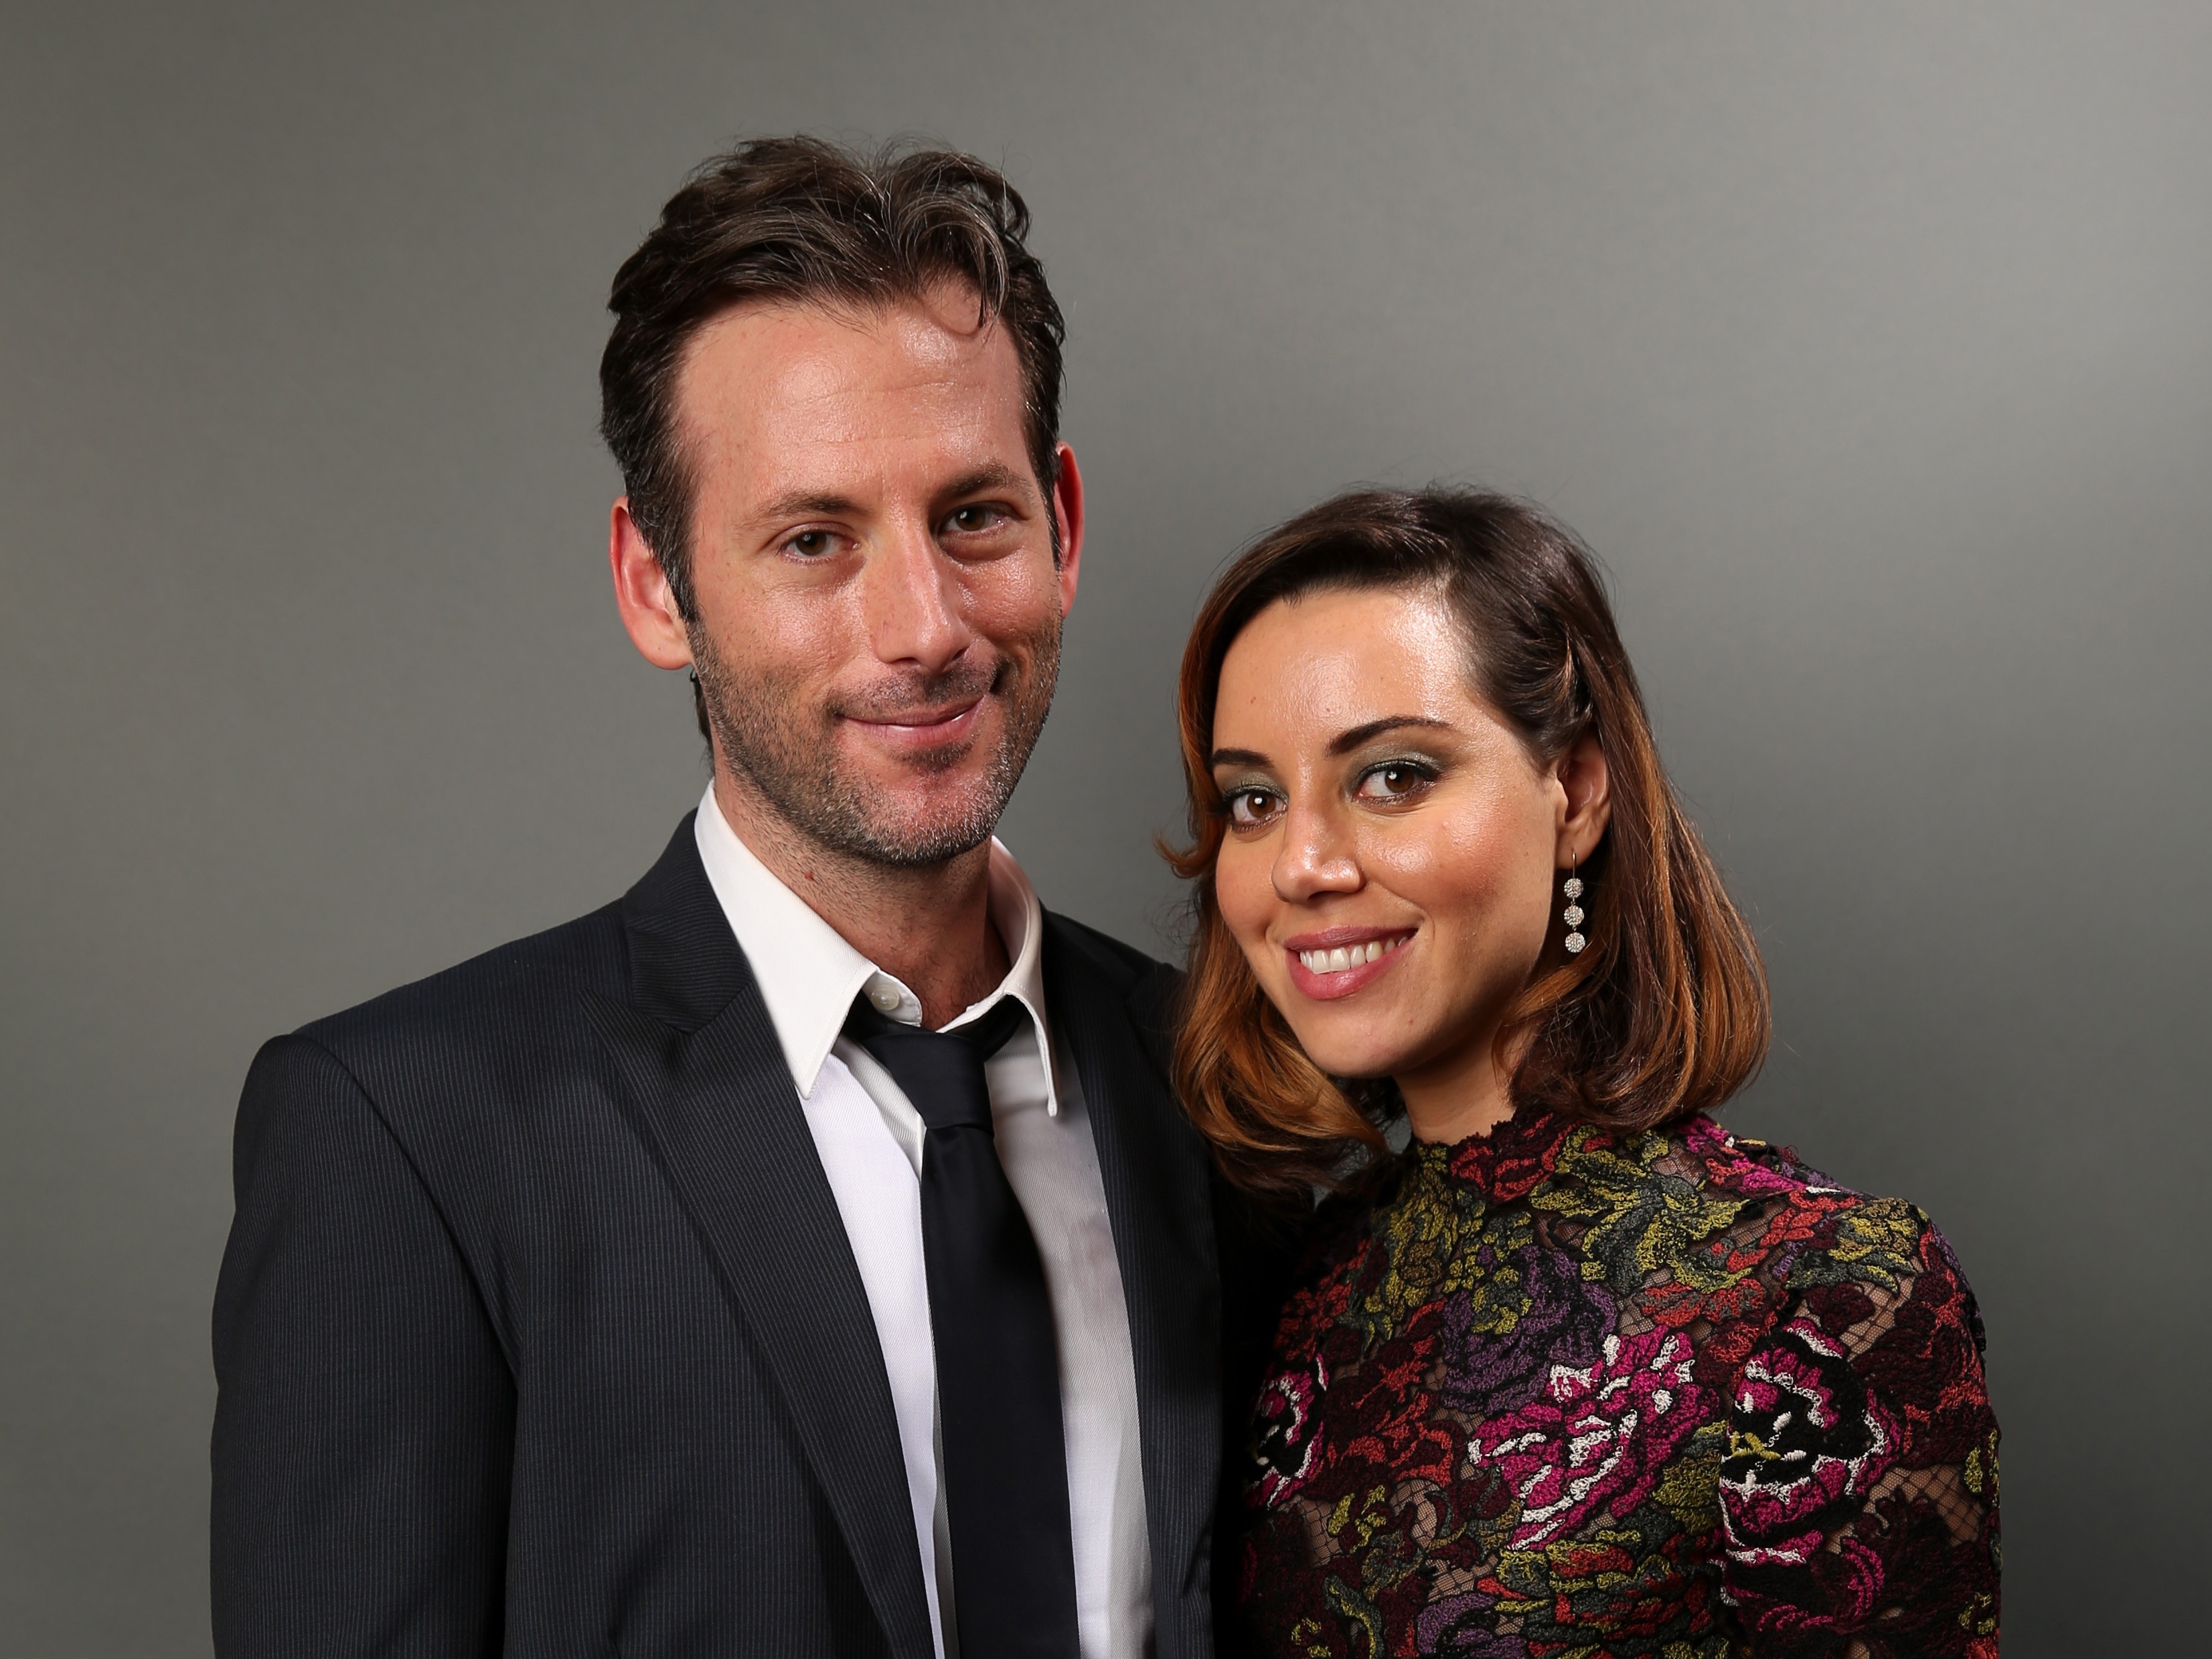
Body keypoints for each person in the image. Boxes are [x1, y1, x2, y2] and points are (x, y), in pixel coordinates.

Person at [211, 137, 1279, 1659]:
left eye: (971, 517)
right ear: (657, 586)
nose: (919, 628)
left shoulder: (1223, 1086)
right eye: (811, 539)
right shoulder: (409, 1138)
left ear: (1063, 526)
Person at [1166, 489, 2000, 1656]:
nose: (1299, 864)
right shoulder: (1293, 1280)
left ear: (1578, 791)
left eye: (1393, 775)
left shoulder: (1826, 1293)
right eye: (1253, 799)